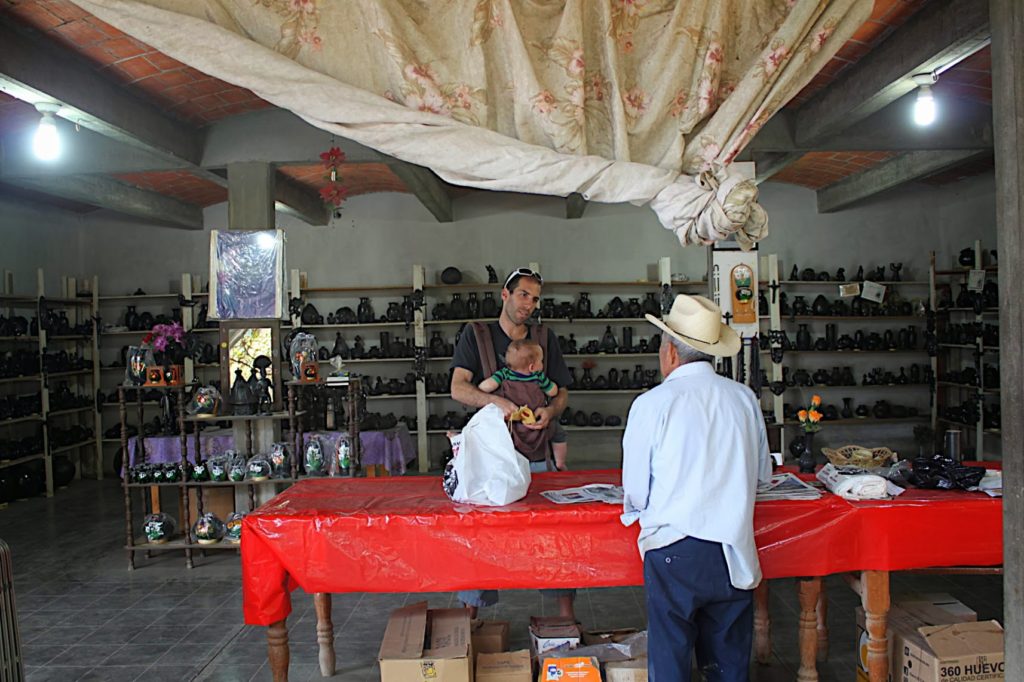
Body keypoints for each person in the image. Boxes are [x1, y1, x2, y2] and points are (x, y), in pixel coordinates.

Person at [620, 294, 772, 681]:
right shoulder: (744, 399)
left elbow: (636, 490)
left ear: (670, 353)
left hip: (674, 549)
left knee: (670, 661)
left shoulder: (652, 404)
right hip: (732, 550)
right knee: (728, 665)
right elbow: (762, 478)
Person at [450, 266, 575, 619]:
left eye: (535, 298)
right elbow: (458, 388)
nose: (529, 304)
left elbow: (562, 392)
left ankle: (566, 621)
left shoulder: (544, 339)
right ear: (505, 295)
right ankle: (465, 626)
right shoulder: (476, 336)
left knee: (552, 534)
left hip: (537, 450)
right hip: (491, 457)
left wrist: (550, 411)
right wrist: (498, 403)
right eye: (523, 295)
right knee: (480, 535)